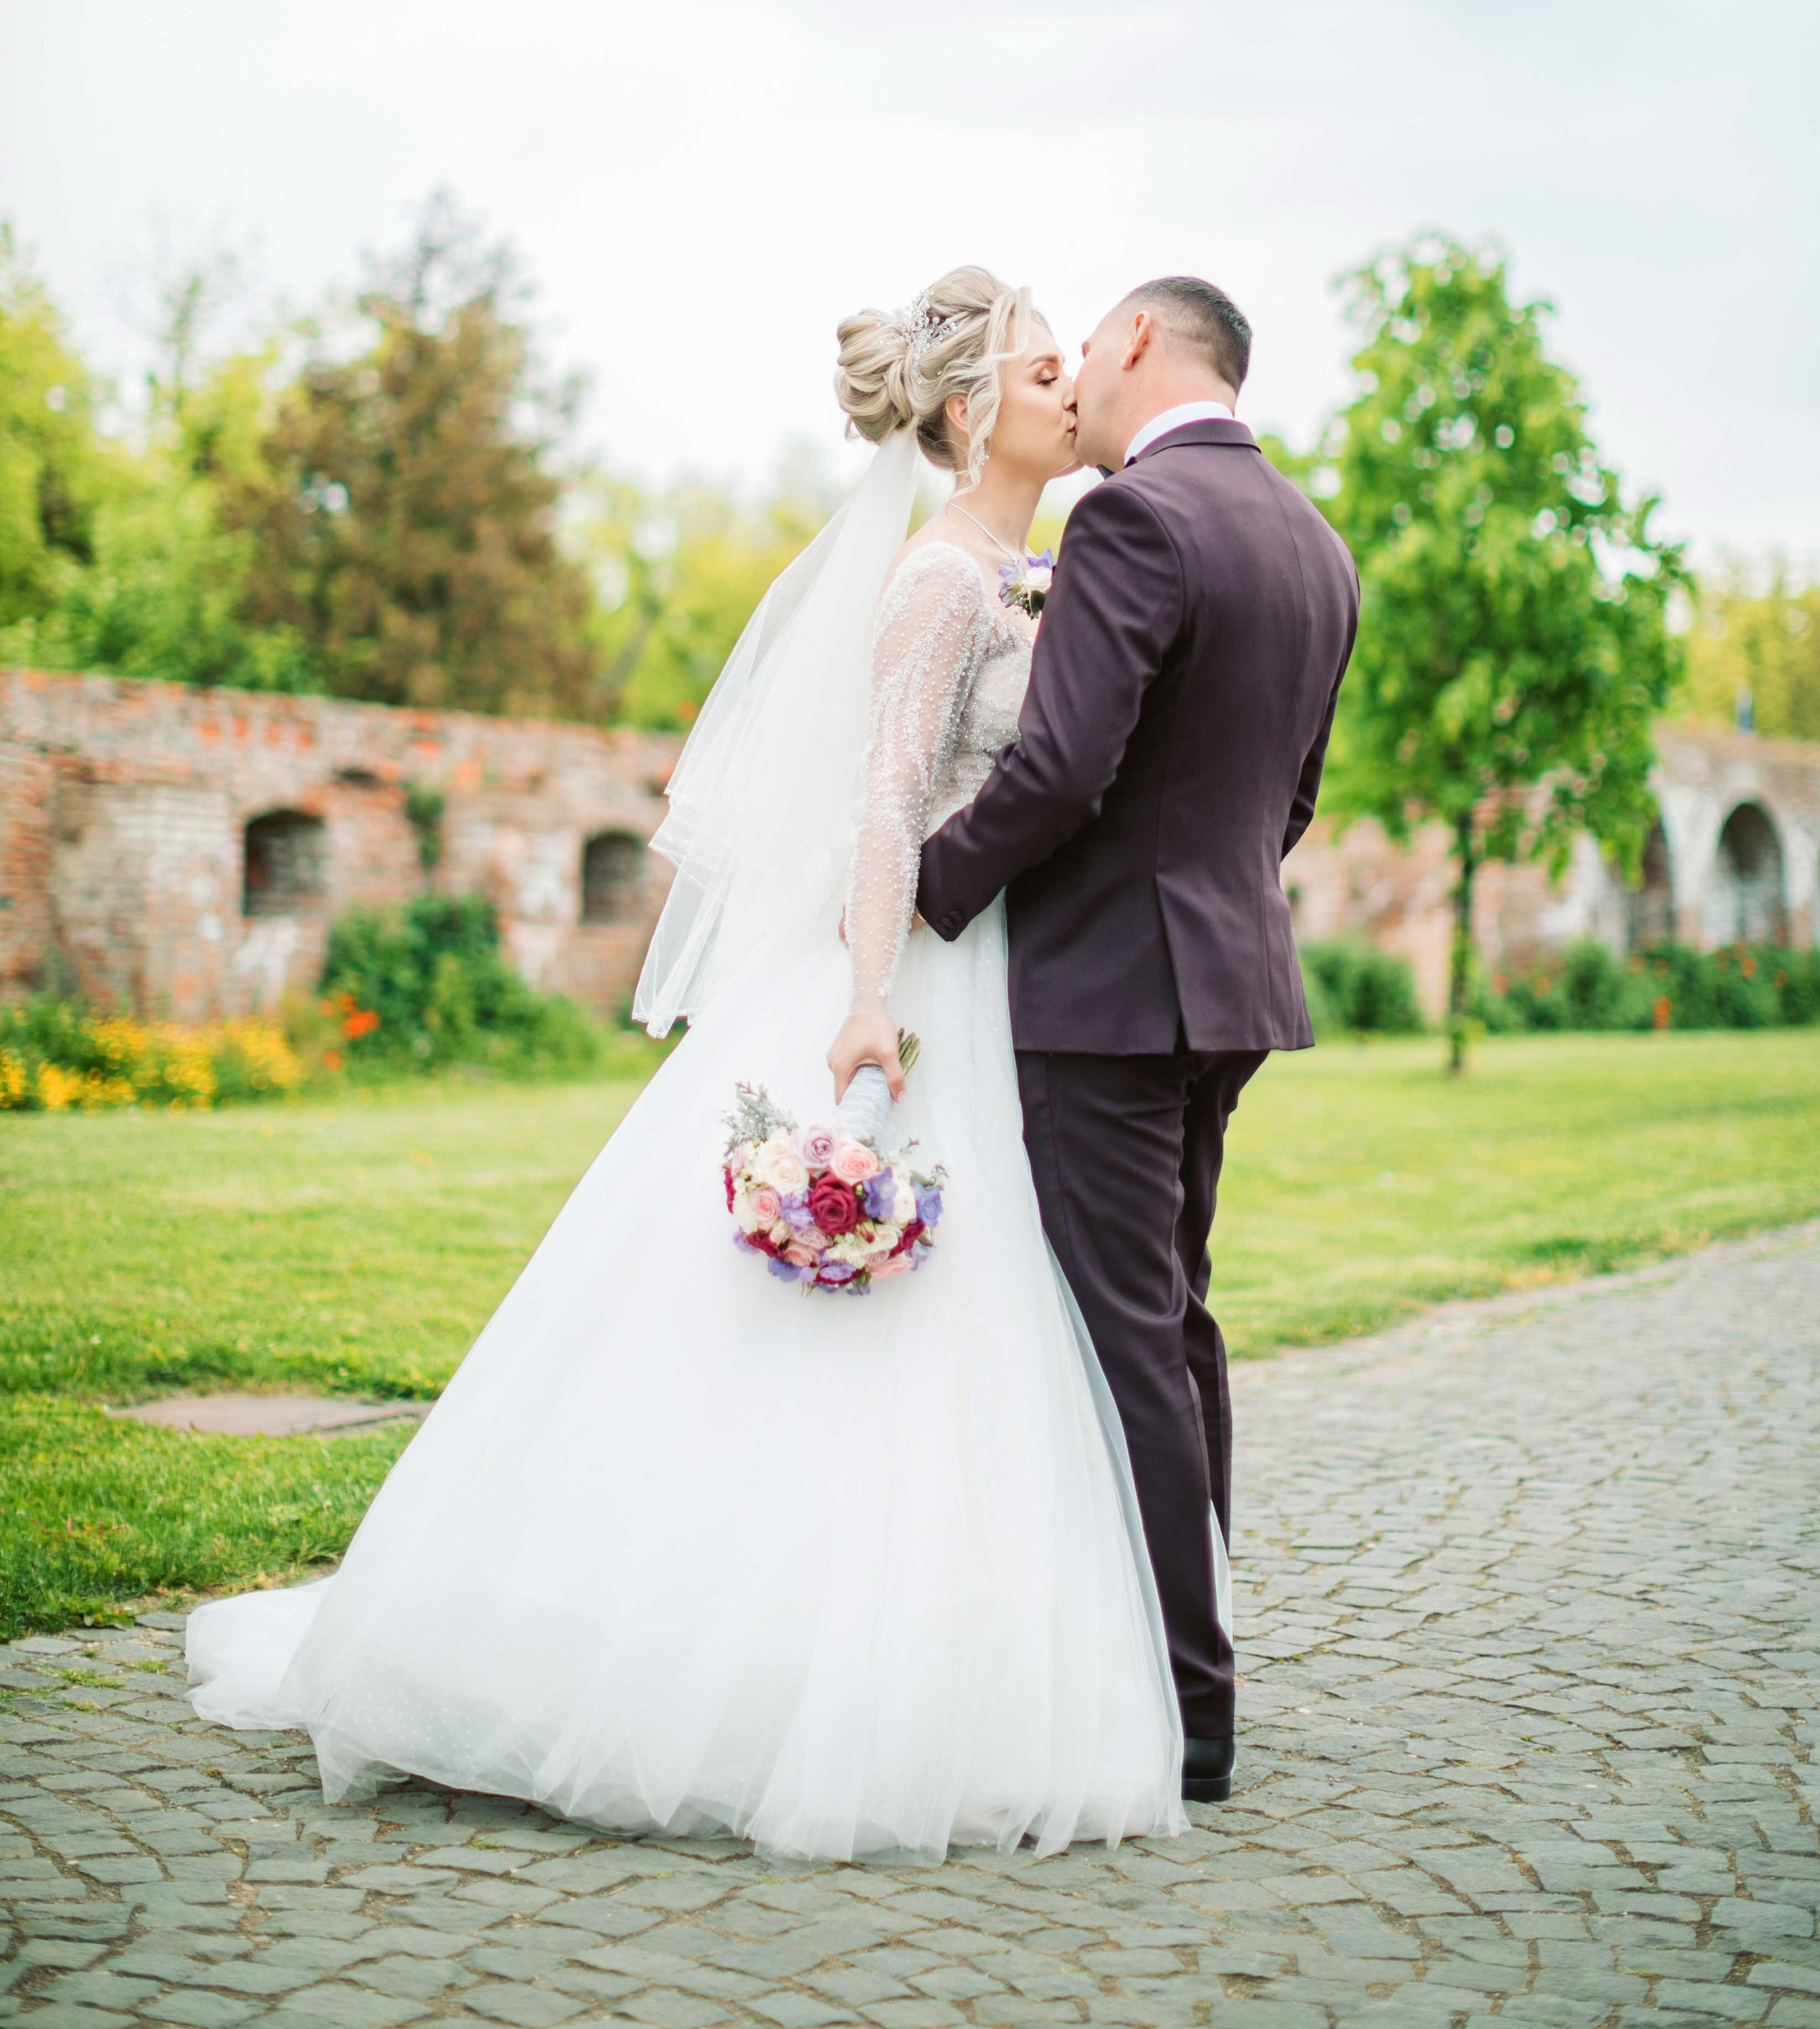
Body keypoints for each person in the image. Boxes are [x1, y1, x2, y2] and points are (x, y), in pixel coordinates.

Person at [186, 265, 1184, 1864]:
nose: (1075, 392)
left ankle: (930, 1651)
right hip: (903, 968)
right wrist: (868, 999)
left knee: (969, 1324)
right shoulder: (939, 580)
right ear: (964, 409)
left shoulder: (1022, 567)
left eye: (1076, 367)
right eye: (1046, 369)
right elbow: (881, 800)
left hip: (984, 979)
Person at [903, 278, 1360, 1803]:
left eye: (1087, 345)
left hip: (1105, 999)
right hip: (1225, 988)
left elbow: (1055, 772)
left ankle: (1180, 1706)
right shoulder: (1315, 542)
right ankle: (1193, 1670)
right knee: (1176, 1327)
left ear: (1143, 346)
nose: (1075, 373)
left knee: (1122, 1342)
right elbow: (1287, 800)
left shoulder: (1130, 521)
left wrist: (926, 892)